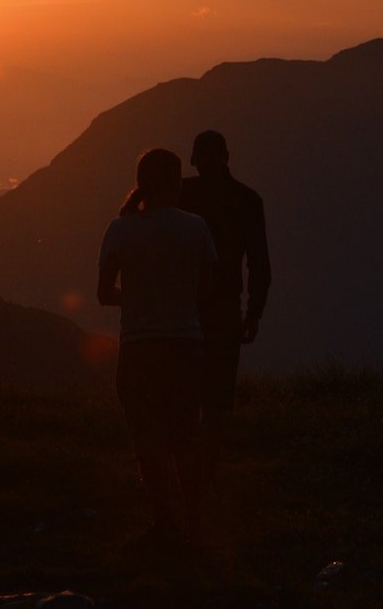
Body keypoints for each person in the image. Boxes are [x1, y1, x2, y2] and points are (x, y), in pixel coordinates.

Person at [97, 148, 217, 552]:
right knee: (186, 436)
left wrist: (135, 297)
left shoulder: (120, 230)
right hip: (186, 346)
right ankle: (197, 525)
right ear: (177, 182)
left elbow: (103, 294)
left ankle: (164, 523)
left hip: (139, 349)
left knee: (147, 439)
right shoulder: (197, 228)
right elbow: (209, 289)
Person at [177, 130, 271, 481]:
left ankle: (187, 470)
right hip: (225, 307)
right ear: (227, 156)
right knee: (215, 396)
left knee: (184, 390)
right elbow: (259, 262)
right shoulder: (247, 200)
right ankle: (206, 471)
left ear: (193, 159)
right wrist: (254, 311)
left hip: (183, 307)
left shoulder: (181, 195)